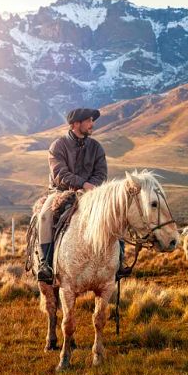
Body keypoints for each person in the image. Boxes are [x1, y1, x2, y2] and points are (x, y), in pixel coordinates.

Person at [36, 108, 131, 284]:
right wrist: (82, 184)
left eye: (92, 121)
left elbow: (101, 172)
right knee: (44, 216)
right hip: (61, 192)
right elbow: (59, 173)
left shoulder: (96, 147)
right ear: (75, 124)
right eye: (88, 121)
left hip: (91, 193)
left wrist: (90, 188)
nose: (92, 124)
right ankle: (45, 264)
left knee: (114, 216)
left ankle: (119, 261)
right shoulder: (58, 146)